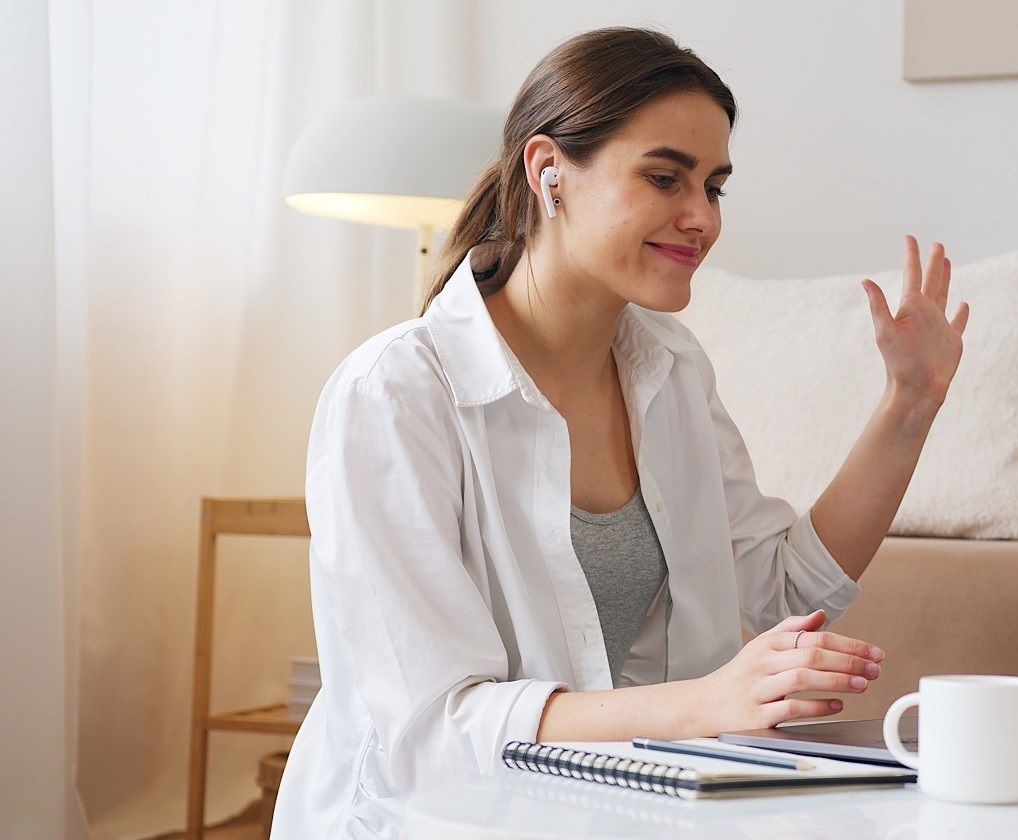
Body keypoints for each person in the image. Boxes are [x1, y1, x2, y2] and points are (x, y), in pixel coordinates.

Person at [271, 26, 969, 839]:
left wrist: (909, 403)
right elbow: (433, 733)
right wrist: (706, 704)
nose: (700, 217)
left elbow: (785, 588)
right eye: (665, 177)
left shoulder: (670, 368)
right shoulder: (394, 395)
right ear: (548, 172)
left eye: (714, 187)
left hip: (617, 809)